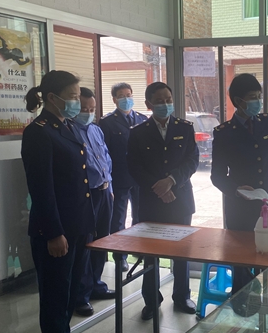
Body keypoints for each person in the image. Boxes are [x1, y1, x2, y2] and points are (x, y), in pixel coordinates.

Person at [21, 71, 96, 333]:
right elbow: (42, 189)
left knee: (68, 295)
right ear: (52, 98)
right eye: (73, 95)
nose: (77, 101)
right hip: (56, 231)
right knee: (54, 298)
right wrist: (53, 233)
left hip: (76, 226)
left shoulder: (66, 126)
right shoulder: (38, 132)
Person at [210, 73, 268, 299]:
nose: (258, 101)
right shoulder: (224, 133)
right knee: (242, 262)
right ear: (238, 101)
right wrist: (236, 190)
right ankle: (241, 306)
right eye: (253, 97)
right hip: (240, 208)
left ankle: (267, 304)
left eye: (259, 96)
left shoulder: (267, 122)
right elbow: (217, 176)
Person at [127, 82, 199, 319]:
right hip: (151, 201)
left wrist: (171, 181)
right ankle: (151, 300)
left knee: (182, 251)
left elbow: (192, 160)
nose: (165, 104)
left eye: (168, 99)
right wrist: (158, 187)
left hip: (180, 198)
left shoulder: (185, 128)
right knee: (150, 254)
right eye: (159, 101)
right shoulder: (138, 132)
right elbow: (134, 167)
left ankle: (182, 295)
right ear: (148, 104)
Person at [72, 87, 115, 317]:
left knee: (102, 241)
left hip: (104, 193)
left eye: (92, 109)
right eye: (84, 109)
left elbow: (106, 159)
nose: (88, 113)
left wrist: (110, 188)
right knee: (85, 246)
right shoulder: (69, 132)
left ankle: (97, 284)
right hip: (86, 196)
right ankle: (81, 295)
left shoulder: (96, 130)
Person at [99, 82, 148, 272]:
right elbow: (104, 154)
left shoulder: (142, 119)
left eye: (129, 94)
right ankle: (120, 257)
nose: (126, 99)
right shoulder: (107, 122)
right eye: (121, 96)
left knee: (140, 217)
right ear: (114, 99)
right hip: (119, 178)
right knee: (118, 219)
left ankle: (139, 250)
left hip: (140, 178)